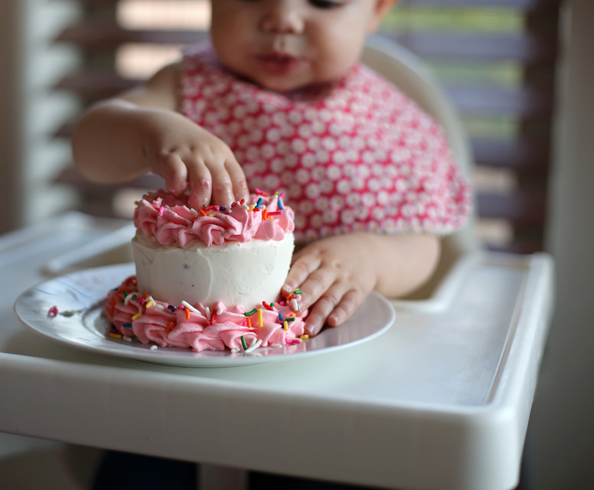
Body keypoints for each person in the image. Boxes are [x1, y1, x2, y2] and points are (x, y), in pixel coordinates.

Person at [73, 0, 471, 336]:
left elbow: (423, 243)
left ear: (377, 9)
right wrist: (154, 131)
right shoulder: (188, 85)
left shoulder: (388, 119)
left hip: (335, 337)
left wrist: (372, 257)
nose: (282, 18)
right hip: (191, 335)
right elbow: (90, 148)